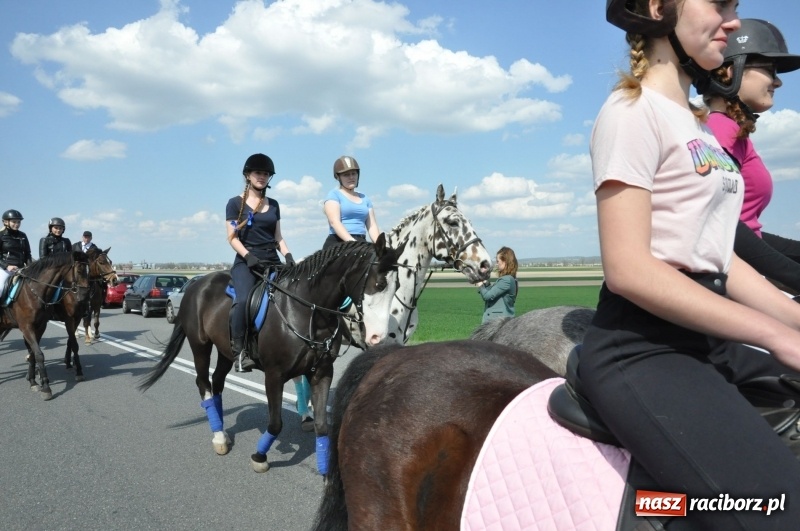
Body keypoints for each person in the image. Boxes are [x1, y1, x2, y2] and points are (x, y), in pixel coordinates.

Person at [578, 2, 800, 528]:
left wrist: (795, 321)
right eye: (718, 4)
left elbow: (719, 256)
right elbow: (628, 269)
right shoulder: (631, 113)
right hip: (643, 349)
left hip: (707, 338)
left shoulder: (697, 126)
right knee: (779, 509)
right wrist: (773, 335)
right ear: (658, 8)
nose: (731, 22)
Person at [703, 19, 800, 294]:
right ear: (733, 71)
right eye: (770, 70)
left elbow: (749, 230)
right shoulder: (720, 130)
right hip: (731, 280)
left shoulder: (734, 132)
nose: (778, 82)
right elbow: (723, 227)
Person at [227, 153, 295, 372]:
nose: (262, 177)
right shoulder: (234, 203)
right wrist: (248, 257)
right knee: (245, 298)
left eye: (266, 174)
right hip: (246, 261)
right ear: (248, 175)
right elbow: (232, 237)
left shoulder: (274, 204)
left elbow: (278, 237)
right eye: (258, 173)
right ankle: (240, 352)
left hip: (271, 260)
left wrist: (288, 256)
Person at [322, 156, 380, 250]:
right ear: (338, 177)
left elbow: (372, 225)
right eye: (346, 175)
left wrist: (380, 246)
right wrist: (352, 242)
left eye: (354, 173)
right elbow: (335, 222)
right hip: (338, 242)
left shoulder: (365, 198)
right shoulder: (333, 195)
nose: (351, 177)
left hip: (360, 242)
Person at [475, 246, 518, 323]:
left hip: (499, 323)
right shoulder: (509, 279)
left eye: (498, 261)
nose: (496, 264)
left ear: (505, 261)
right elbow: (493, 292)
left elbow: (487, 296)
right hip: (497, 323)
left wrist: (480, 283)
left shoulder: (506, 280)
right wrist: (484, 281)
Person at [0, 209, 33, 300]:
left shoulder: (23, 235)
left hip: (21, 268)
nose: (17, 224)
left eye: (18, 222)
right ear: (6, 222)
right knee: (0, 288)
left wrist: (30, 267)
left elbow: (27, 253)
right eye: (14, 222)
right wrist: (7, 266)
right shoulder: (1, 235)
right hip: (5, 269)